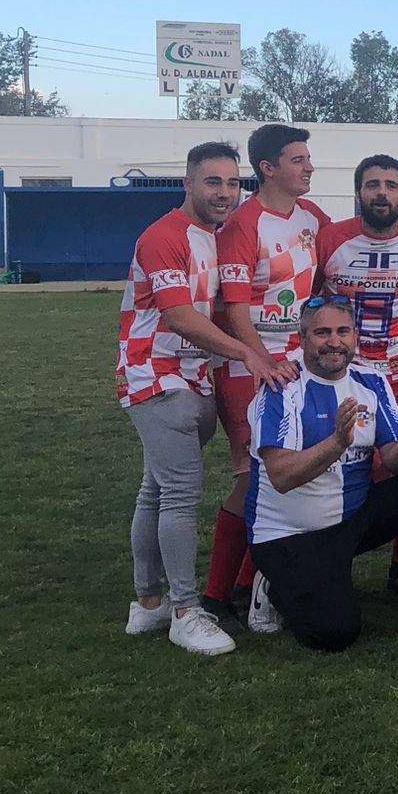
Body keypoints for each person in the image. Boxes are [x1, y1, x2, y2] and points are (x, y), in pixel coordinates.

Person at [118, 141, 287, 658]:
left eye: (232, 183)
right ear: (188, 183)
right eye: (213, 182)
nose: (224, 192)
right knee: (181, 495)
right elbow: (178, 316)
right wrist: (250, 355)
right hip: (156, 378)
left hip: (194, 378)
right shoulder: (163, 236)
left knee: (156, 492)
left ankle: (148, 603)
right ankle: (188, 612)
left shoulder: (213, 237)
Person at [243, 299, 398, 652]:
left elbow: (395, 462)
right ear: (302, 338)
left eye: (343, 331)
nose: (334, 342)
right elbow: (281, 476)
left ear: (355, 336)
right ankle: (272, 584)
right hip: (290, 533)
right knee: (333, 634)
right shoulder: (281, 387)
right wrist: (336, 443)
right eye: (322, 332)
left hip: (352, 520)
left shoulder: (372, 381)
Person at [205, 123, 329, 620]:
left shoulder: (311, 216)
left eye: (307, 158)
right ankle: (217, 594)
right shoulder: (243, 222)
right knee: (252, 478)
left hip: (293, 368)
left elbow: (350, 234)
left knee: (281, 477)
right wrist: (259, 361)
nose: (309, 166)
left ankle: (243, 585)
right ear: (268, 168)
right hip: (248, 369)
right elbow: (234, 309)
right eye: (298, 159)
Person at [315, 155, 398, 419]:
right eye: (372, 185)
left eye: (391, 186)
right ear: (357, 193)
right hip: (344, 373)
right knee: (349, 455)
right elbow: (306, 303)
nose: (381, 193)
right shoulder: (329, 239)